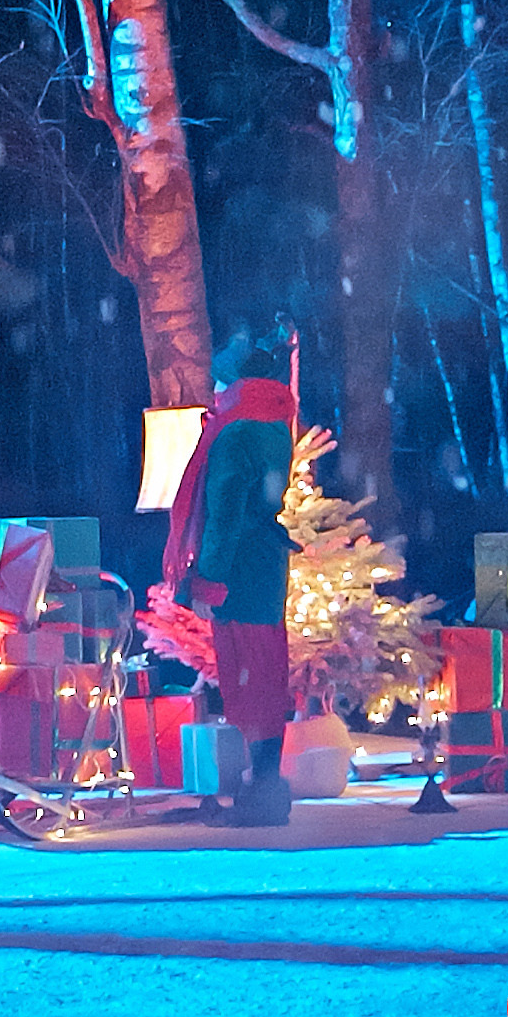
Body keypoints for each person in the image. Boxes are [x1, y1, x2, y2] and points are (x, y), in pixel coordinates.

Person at [163, 339, 300, 827]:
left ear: (235, 382)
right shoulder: (276, 425)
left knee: (246, 675)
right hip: (266, 564)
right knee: (266, 672)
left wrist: (208, 580)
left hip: (239, 566)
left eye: (220, 380)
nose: (215, 389)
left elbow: (224, 514)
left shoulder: (235, 431)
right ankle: (265, 783)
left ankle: (261, 792)